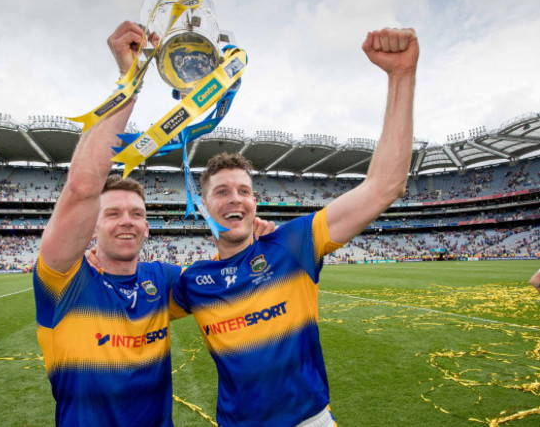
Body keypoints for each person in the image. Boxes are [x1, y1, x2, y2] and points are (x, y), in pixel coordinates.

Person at [170, 27, 419, 426]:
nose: (234, 198)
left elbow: (383, 187)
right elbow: (121, 300)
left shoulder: (294, 244)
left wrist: (401, 76)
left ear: (254, 203)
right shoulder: (192, 283)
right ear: (204, 206)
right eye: (221, 192)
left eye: (244, 191)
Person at [33, 21, 274, 427]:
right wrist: (130, 79)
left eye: (137, 214)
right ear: (92, 226)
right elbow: (80, 187)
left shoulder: (162, 281)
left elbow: (226, 282)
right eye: (112, 213)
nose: (126, 222)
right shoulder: (62, 281)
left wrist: (246, 234)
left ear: (148, 228)